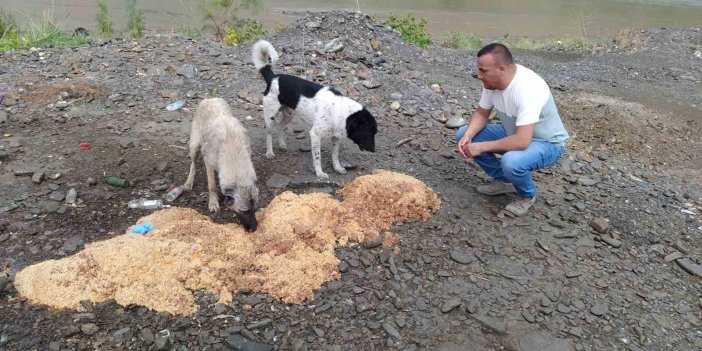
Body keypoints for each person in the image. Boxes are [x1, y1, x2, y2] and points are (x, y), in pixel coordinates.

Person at [456, 43, 569, 216]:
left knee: (511, 161)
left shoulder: (528, 88)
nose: (479, 76)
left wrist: (481, 147)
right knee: (463, 134)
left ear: (501, 69)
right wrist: (469, 135)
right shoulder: (492, 83)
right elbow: (481, 113)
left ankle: (527, 195)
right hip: (514, 132)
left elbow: (522, 141)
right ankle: (504, 181)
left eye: (483, 71)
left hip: (547, 143)